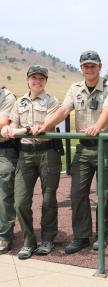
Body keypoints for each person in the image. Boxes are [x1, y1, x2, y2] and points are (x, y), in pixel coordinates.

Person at [36, 51, 108, 254]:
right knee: (77, 194)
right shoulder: (75, 89)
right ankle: (82, 236)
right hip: (83, 148)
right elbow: (64, 111)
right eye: (85, 66)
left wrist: (97, 127)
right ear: (81, 68)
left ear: (100, 67)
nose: (89, 69)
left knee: (106, 194)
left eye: (93, 65)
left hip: (104, 146)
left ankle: (102, 235)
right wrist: (45, 126)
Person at [1, 65, 61, 259]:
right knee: (20, 202)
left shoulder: (52, 100)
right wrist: (10, 130)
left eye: (41, 78)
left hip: (47, 153)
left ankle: (48, 239)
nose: (37, 81)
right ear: (27, 79)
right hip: (25, 154)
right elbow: (12, 125)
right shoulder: (19, 103)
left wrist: (23, 129)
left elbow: (47, 125)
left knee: (48, 199)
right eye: (34, 78)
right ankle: (29, 241)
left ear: (46, 81)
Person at [0, 85, 18, 255]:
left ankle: (4, 236)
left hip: (4, 150)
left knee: (4, 195)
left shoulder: (7, 96)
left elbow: (3, 123)